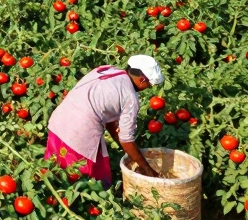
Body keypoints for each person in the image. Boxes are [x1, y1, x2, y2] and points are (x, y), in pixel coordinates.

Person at [45, 55, 164, 187]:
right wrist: (148, 170)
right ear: (142, 80)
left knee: (54, 170)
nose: (149, 87)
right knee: (87, 182)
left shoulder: (106, 70)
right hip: (79, 132)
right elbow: (126, 140)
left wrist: (129, 151)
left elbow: (108, 118)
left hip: (60, 120)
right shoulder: (130, 98)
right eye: (150, 84)